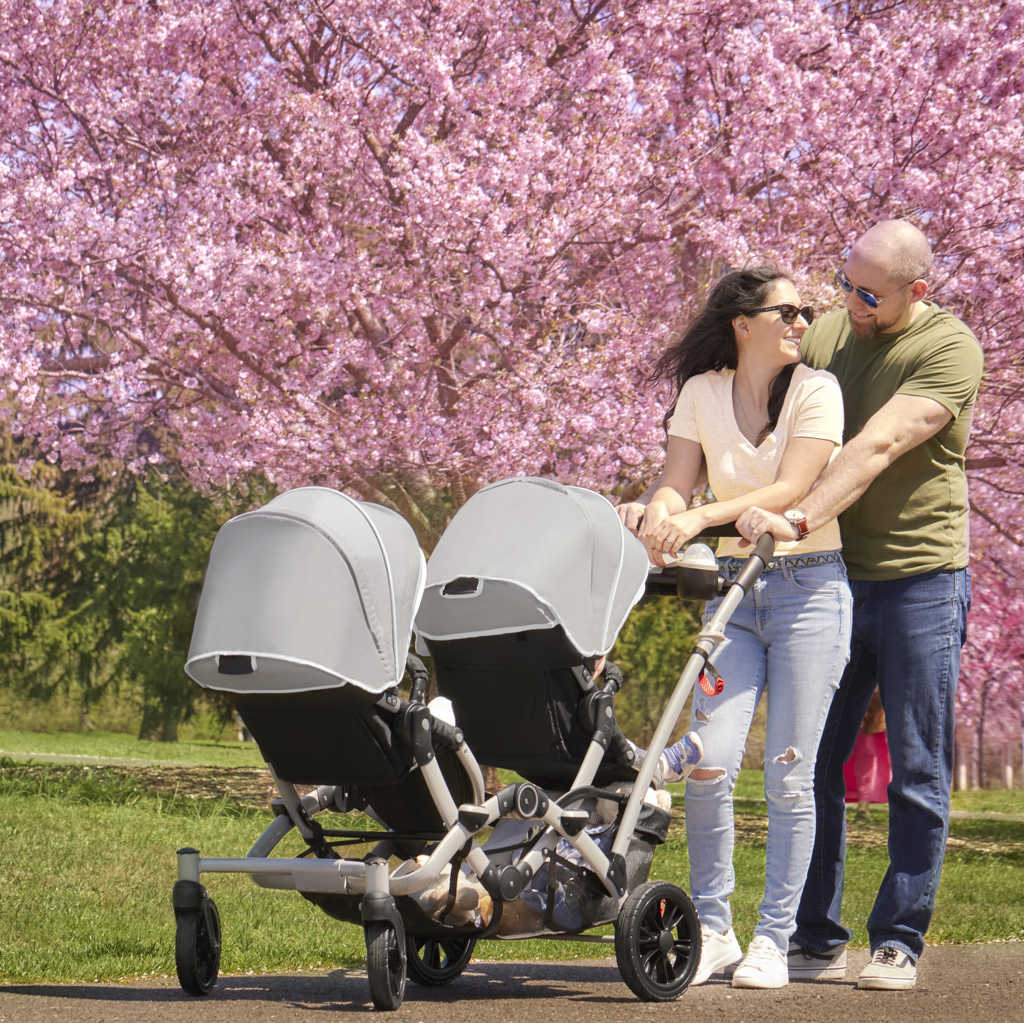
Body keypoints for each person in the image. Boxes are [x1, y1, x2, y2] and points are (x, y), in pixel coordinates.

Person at [736, 220, 983, 991]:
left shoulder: (949, 349)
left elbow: (876, 444)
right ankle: (814, 935)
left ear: (918, 290)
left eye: (869, 294)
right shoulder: (833, 332)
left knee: (915, 768)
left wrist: (799, 515)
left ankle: (899, 940)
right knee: (809, 760)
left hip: (921, 581)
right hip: (833, 580)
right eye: (846, 284)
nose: (850, 303)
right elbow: (759, 387)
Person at [618, 267, 852, 989]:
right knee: (711, 761)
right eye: (788, 311)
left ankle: (773, 940)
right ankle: (716, 931)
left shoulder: (818, 390)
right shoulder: (701, 392)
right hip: (733, 593)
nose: (802, 322)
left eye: (806, 311)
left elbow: (791, 489)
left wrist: (696, 517)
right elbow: (676, 481)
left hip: (811, 590)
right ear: (743, 324)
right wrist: (657, 511)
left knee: (788, 772)